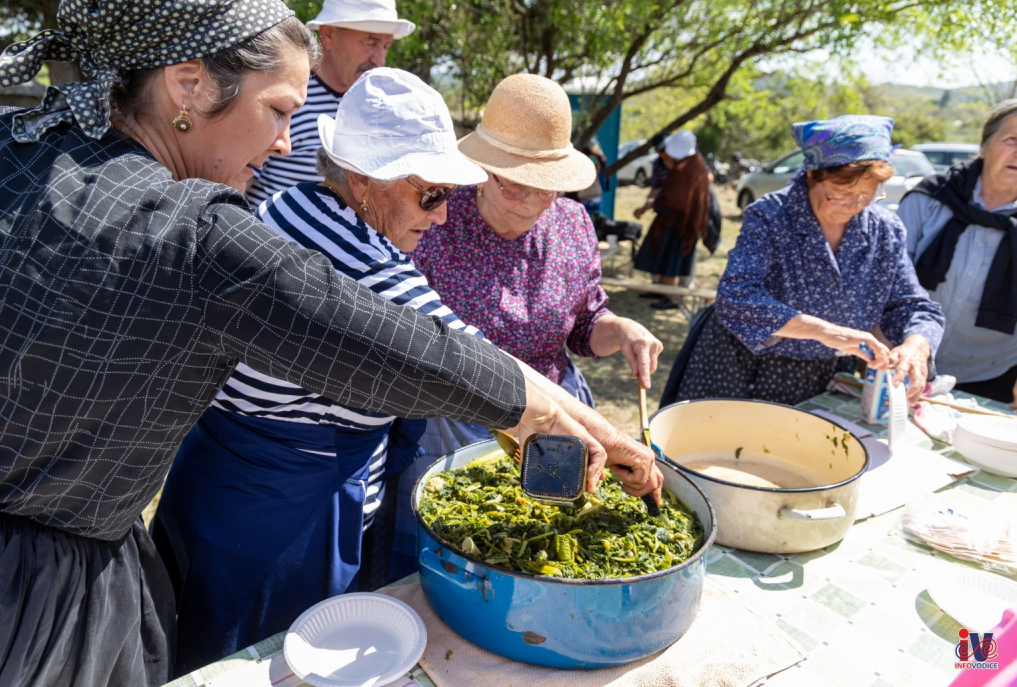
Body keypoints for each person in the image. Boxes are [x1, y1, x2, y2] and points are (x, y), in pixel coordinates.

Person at [0, 0, 662, 686]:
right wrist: (562, 421)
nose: (287, 145)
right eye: (280, 110)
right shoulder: (193, 235)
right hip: (44, 604)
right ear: (188, 86)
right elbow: (395, 344)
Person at [151, 68, 493, 673]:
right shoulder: (364, 266)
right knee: (273, 665)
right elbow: (475, 364)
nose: (441, 217)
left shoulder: (292, 204)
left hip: (219, 478)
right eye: (431, 195)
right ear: (364, 179)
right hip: (285, 518)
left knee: (203, 652)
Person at [388, 73, 665, 577]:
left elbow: (584, 323)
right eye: (512, 180)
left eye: (545, 187)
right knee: (460, 555)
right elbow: (421, 346)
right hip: (455, 417)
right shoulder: (435, 222)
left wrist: (619, 327)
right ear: (482, 168)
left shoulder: (574, 225)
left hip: (560, 411)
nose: (530, 200)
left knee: (558, 554)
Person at [669, 115, 945, 406]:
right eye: (841, 193)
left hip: (823, 373)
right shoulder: (771, 215)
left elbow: (913, 305)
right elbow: (737, 297)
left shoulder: (885, 229)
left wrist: (918, 344)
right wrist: (827, 332)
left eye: (868, 193)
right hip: (743, 366)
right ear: (813, 175)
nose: (855, 205)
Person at [245, 0, 413, 201]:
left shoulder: (376, 107)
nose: (380, 60)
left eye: (385, 46)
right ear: (330, 35)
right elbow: (239, 181)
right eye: (370, 42)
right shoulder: (285, 98)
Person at [898, 99, 1017, 405]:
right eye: (1012, 140)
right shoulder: (930, 197)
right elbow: (884, 281)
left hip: (994, 374)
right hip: (907, 364)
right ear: (985, 145)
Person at [632, 129, 711, 309]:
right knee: (662, 254)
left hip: (680, 222)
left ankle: (671, 298)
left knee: (671, 258)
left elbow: (679, 197)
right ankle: (660, 289)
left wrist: (655, 203)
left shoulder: (691, 167)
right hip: (670, 218)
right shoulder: (686, 163)